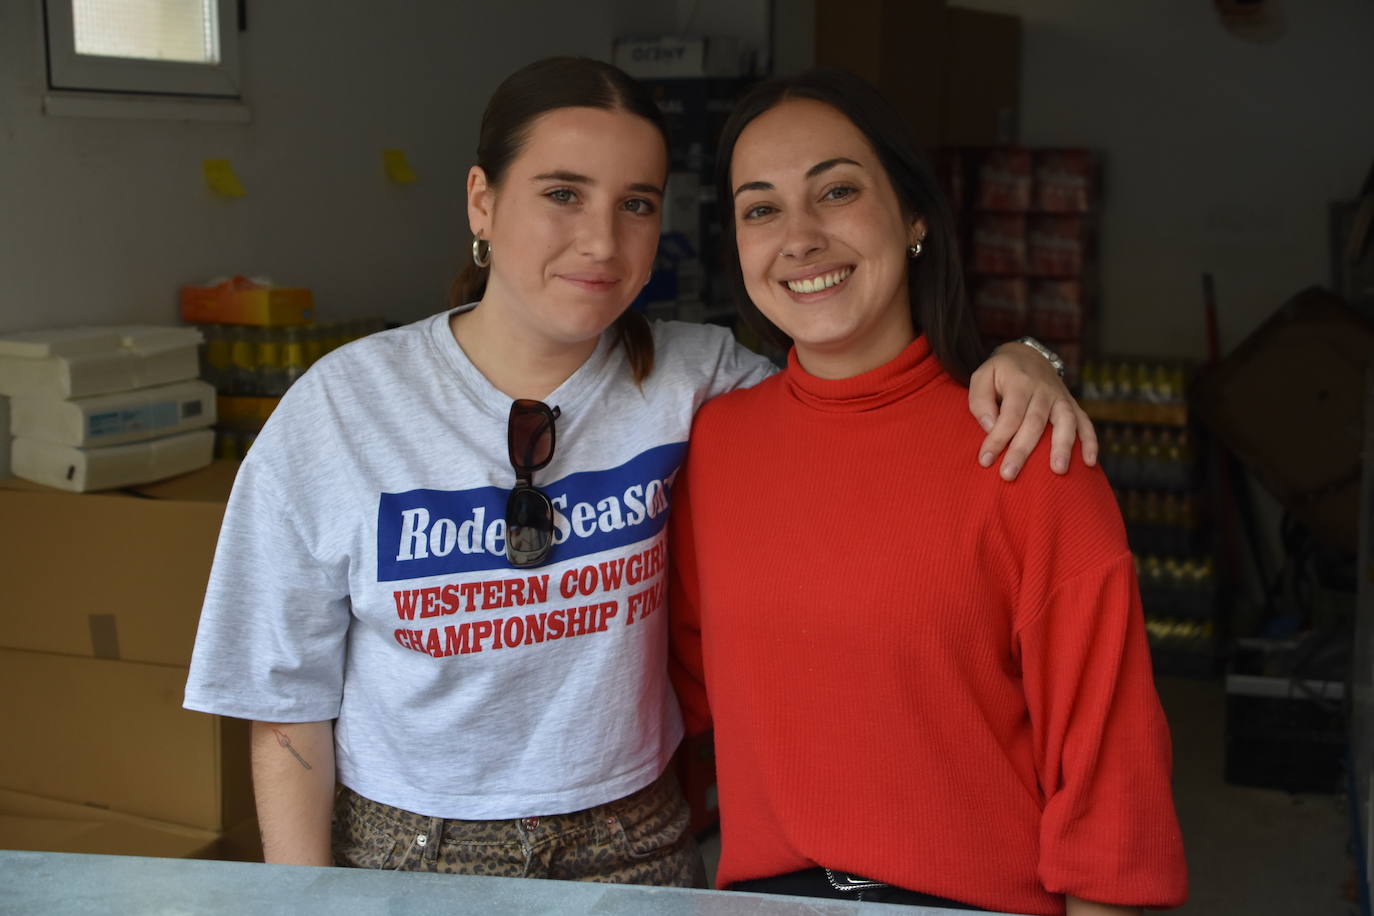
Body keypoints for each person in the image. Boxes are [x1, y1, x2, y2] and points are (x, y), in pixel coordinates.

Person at [184, 57, 1091, 885]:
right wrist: (300, 900)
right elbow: (284, 699)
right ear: (481, 203)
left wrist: (1025, 354)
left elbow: (863, 405)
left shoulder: (704, 380)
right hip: (410, 849)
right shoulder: (341, 409)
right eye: (563, 194)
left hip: (639, 843)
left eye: (638, 203)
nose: (602, 242)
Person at [668, 69, 1188, 914]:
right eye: (761, 208)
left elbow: (1111, 781)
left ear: (914, 216)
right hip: (765, 898)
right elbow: (670, 695)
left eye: (836, 191)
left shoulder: (1025, 447)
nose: (798, 238)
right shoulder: (716, 446)